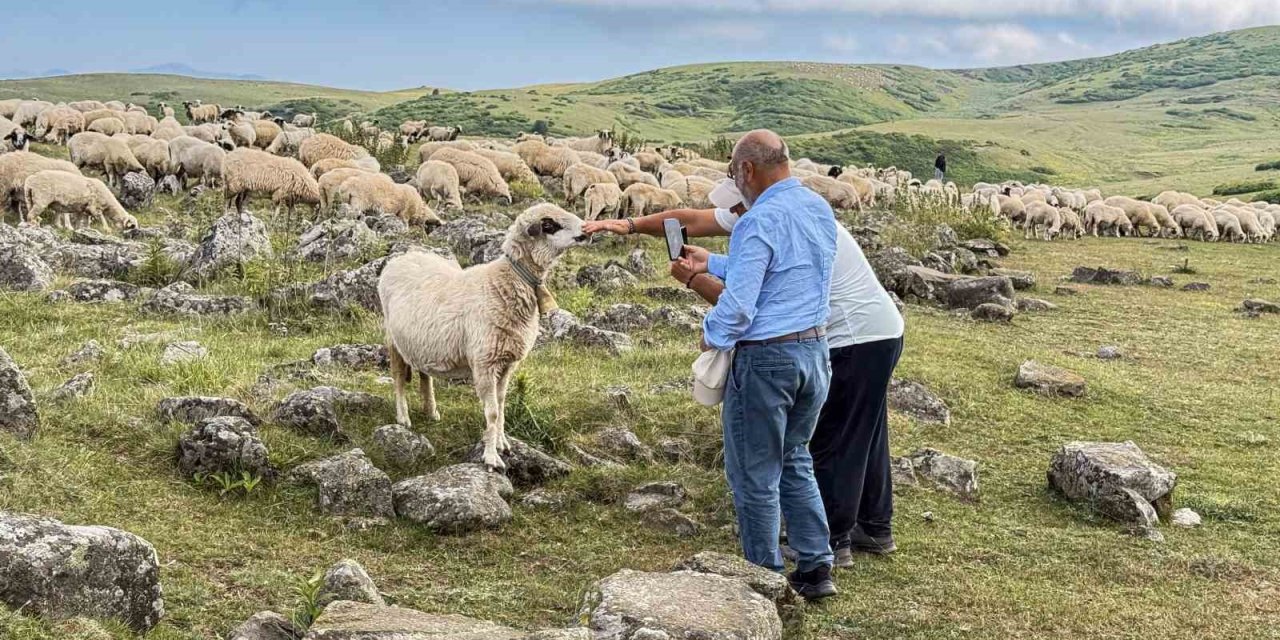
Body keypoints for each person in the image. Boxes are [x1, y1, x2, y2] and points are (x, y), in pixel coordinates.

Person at [584, 166, 906, 567]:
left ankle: (833, 540)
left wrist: (695, 288)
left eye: (736, 206)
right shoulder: (798, 211)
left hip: (849, 337)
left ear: (750, 186)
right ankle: (874, 526)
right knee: (865, 433)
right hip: (877, 327)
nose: (731, 214)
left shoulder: (761, 222)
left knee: (829, 441)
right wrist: (628, 225)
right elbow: (688, 220)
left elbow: (752, 309)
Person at [664, 130, 839, 599]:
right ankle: (816, 566)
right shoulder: (817, 208)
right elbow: (787, 270)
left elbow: (740, 307)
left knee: (755, 471)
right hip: (813, 352)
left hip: (767, 360)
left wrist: (711, 334)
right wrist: (715, 262)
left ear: (746, 170)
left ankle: (762, 579)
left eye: (731, 173)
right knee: (795, 456)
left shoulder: (757, 222)